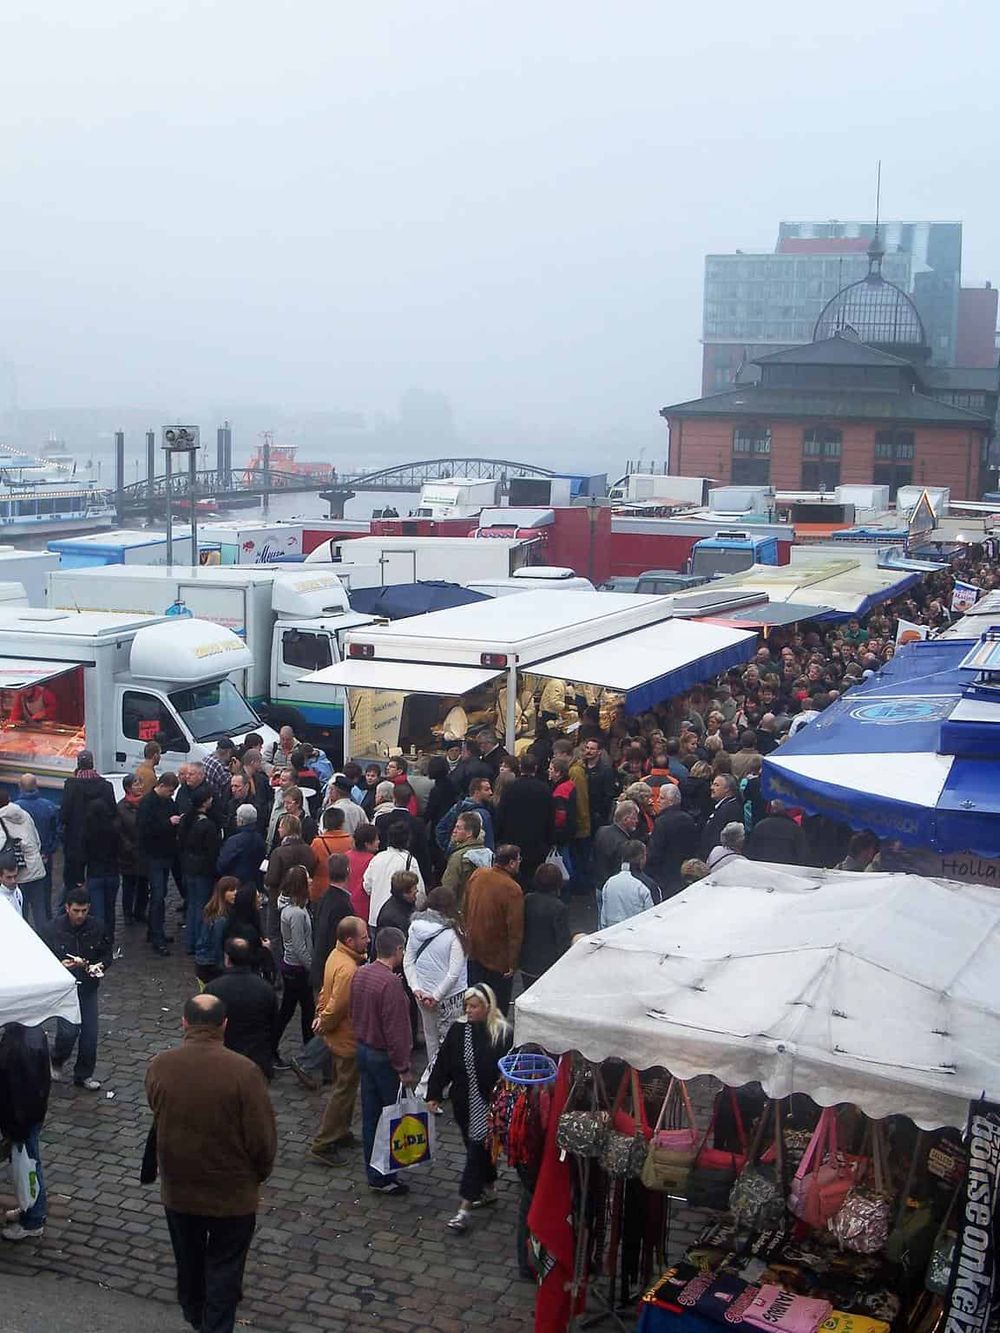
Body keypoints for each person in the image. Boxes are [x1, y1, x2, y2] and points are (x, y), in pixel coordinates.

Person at [145, 993, 277, 1333]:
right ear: (224, 1025)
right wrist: (257, 1175)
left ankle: (195, 1312)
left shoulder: (160, 1066)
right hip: (232, 1196)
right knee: (225, 1267)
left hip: (180, 1191)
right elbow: (262, 1140)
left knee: (189, 1263)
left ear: (184, 1022)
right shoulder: (244, 1073)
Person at [426, 983, 513, 1232]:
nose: (469, 1010)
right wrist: (434, 1093)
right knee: (474, 1145)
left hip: (489, 1105)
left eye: (474, 1006)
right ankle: (488, 1187)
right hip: (464, 1101)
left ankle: (464, 1208)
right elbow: (443, 1062)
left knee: (475, 1150)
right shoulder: (458, 1030)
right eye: (467, 1006)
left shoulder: (503, 1034)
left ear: (488, 1007)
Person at [350, 926, 415, 1195]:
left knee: (370, 1116)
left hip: (364, 1049)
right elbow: (396, 1031)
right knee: (392, 1117)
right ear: (398, 950)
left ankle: (373, 1171)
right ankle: (386, 1172)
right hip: (383, 1058)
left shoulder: (361, 973)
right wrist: (403, 1068)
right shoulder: (390, 984)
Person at [307, 915, 370, 1167]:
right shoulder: (349, 970)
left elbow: (325, 993)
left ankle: (341, 1132)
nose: (368, 939)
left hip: (339, 1035)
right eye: (364, 936)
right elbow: (338, 1005)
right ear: (349, 940)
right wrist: (324, 1021)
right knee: (343, 1091)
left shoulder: (336, 956)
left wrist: (320, 1015)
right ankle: (324, 1142)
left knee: (346, 1086)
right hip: (347, 1038)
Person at [42, 887, 110, 1090]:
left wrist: (100, 965)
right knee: (68, 1032)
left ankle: (84, 1075)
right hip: (64, 990)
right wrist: (58, 965)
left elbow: (106, 953)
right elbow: (42, 957)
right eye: (76, 911)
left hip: (88, 987)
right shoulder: (52, 929)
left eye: (84, 911)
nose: (80, 915)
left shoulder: (97, 926)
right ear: (67, 908)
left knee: (90, 1035)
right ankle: (57, 1058)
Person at [403, 885, 468, 1098]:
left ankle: (441, 1083)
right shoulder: (454, 932)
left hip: (422, 995)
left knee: (432, 1040)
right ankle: (429, 1088)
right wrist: (437, 995)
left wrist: (417, 989)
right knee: (447, 1044)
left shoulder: (415, 927)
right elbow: (454, 972)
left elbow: (408, 961)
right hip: (450, 997)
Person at [0, 1021, 51, 1241]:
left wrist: (14, 1128)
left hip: (21, 1117)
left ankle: (33, 1217)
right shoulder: (33, 1032)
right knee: (27, 1162)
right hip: (31, 1113)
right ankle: (30, 1208)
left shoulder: (15, 1047)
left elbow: (14, 1091)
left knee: (27, 1163)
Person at [462, 844, 524, 1015]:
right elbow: (515, 930)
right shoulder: (512, 889)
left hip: (474, 951)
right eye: (518, 860)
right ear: (511, 863)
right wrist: (512, 962)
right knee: (497, 1009)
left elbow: (465, 906)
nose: (519, 863)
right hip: (497, 958)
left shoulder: (478, 874)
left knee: (476, 1000)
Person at [205, 938, 280, 1079]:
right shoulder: (265, 989)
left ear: (227, 959)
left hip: (223, 1059)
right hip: (256, 1060)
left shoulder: (213, 988)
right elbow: (273, 1026)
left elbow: (207, 1026)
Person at [273, 866, 314, 1067]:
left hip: (292, 967)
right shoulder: (296, 913)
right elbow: (299, 946)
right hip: (297, 969)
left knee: (292, 1009)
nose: (312, 881)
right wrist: (312, 968)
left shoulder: (292, 908)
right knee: (303, 1010)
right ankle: (309, 1052)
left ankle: (273, 1046)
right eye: (308, 879)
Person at [138, 771, 181, 956]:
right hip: (153, 856)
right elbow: (144, 830)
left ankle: (154, 931)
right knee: (157, 896)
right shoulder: (147, 803)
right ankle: (157, 936)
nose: (171, 795)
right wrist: (168, 823)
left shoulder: (168, 802)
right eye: (170, 791)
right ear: (162, 786)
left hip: (165, 854)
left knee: (160, 894)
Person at [59, 750, 115, 893]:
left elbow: (64, 814)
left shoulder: (71, 786)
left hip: (75, 840)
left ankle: (74, 905)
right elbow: (112, 812)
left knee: (73, 881)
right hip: (99, 841)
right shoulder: (106, 786)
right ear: (92, 764)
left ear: (78, 765)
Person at [494, 752, 553, 883]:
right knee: (533, 879)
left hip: (512, 842)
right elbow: (550, 818)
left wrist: (498, 838)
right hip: (536, 843)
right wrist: (548, 841)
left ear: (520, 768)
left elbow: (501, 815)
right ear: (536, 768)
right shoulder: (544, 789)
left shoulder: (510, 788)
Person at [263, 814, 317, 957]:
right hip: (301, 899)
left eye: (280, 827)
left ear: (287, 829)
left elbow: (271, 879)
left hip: (279, 899)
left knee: (275, 935)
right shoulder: (309, 850)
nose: (278, 830)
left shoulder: (279, 852)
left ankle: (277, 968)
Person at [181, 788, 222, 956]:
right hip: (203, 870)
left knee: (192, 905)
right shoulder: (208, 826)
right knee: (203, 907)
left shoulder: (187, 821)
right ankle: (200, 942)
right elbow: (213, 852)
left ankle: (190, 942)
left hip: (189, 868)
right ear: (205, 802)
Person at [362, 822, 425, 931]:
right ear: (407, 840)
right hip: (400, 918)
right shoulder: (410, 861)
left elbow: (367, 886)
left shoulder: (377, 858)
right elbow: (420, 892)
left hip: (375, 916)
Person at [519, 862, 572, 989]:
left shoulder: (527, 899)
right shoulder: (559, 907)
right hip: (549, 965)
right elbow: (562, 940)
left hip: (527, 962)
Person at [15, 774, 59, 924]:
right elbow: (56, 831)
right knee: (43, 900)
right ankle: (46, 935)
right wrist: (49, 850)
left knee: (22, 901)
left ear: (20, 787)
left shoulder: (15, 809)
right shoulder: (49, 806)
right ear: (37, 786)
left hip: (22, 861)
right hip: (44, 858)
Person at [0, 791, 46, 931]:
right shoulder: (24, 814)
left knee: (20, 913)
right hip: (36, 869)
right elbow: (36, 840)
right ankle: (46, 942)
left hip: (16, 873)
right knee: (40, 911)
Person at [645, 785, 700, 900]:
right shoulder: (689, 819)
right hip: (684, 873)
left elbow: (655, 852)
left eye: (662, 798)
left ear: (671, 801)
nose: (658, 800)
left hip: (664, 876)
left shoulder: (662, 822)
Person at [81, 789, 121, 945]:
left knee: (98, 912)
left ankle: (98, 941)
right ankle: (109, 938)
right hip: (112, 873)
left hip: (95, 874)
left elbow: (83, 854)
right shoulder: (113, 830)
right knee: (110, 909)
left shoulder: (87, 832)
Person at [116, 773, 149, 927]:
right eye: (136, 784)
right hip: (128, 855)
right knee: (128, 885)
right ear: (128, 788)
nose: (140, 787)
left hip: (144, 852)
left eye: (140, 783)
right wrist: (127, 846)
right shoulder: (121, 807)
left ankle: (140, 912)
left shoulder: (146, 804)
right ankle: (128, 914)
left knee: (143, 885)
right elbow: (119, 831)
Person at [194, 877, 239, 986]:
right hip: (211, 965)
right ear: (222, 893)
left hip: (204, 962)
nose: (235, 893)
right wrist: (223, 970)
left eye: (237, 889)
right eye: (231, 890)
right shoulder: (220, 919)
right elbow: (217, 945)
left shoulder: (216, 911)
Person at [441, 810, 493, 905]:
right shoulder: (489, 854)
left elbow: (448, 887)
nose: (454, 831)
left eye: (458, 828)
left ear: (469, 833)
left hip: (461, 910)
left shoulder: (458, 857)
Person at [435, 776, 495, 853]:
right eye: (486, 790)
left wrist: (450, 849)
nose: (491, 793)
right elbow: (488, 842)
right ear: (477, 792)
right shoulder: (482, 813)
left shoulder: (458, 807)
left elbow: (441, 829)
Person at [746, 799, 811, 865]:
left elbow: (750, 852)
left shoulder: (759, 827)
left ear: (771, 808)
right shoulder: (796, 829)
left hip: (763, 869)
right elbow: (803, 856)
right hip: (788, 871)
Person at [309, 805, 354, 900]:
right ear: (342, 822)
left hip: (321, 889)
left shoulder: (318, 843)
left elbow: (311, 866)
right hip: (345, 888)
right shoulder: (351, 841)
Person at [592, 799, 639, 889]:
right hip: (613, 888)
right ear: (625, 819)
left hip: (599, 884)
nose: (637, 821)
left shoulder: (601, 831)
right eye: (634, 818)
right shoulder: (623, 843)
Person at [216, 804, 266, 888]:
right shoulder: (259, 839)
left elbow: (223, 863)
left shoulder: (234, 841)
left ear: (241, 820)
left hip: (235, 883)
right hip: (254, 883)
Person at [700, 774, 744, 857]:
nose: (712, 788)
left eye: (716, 785)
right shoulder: (723, 806)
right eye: (712, 784)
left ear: (727, 789)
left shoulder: (730, 809)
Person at [346, 823, 379, 919]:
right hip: (364, 903)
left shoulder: (346, 855)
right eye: (376, 839)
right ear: (367, 844)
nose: (378, 842)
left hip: (347, 901)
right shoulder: (373, 860)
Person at [375, 868, 419, 935]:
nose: (417, 891)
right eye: (414, 888)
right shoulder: (388, 918)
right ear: (405, 893)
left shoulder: (410, 905)